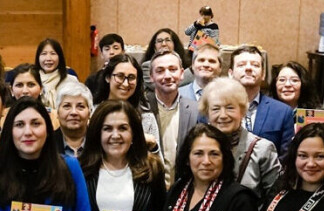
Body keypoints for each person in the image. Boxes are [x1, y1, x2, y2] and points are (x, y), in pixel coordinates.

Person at [200, 77, 281, 199]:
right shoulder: (197, 149)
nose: (223, 115)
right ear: (207, 113)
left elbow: (274, 199)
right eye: (216, 109)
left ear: (242, 111)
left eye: (230, 108)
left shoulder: (262, 150)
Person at [228, 45, 295, 157]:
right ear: (230, 74)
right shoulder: (216, 109)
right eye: (241, 65)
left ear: (263, 74)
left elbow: (286, 157)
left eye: (255, 65)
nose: (248, 68)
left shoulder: (282, 112)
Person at [146, 50, 199, 187]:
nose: (167, 76)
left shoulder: (196, 110)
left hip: (184, 190)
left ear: (181, 73)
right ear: (151, 76)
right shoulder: (141, 110)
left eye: (172, 69)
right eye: (160, 70)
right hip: (148, 189)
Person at [93, 54, 161, 147]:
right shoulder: (92, 113)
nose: (125, 84)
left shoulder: (146, 118)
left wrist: (153, 146)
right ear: (108, 77)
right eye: (120, 76)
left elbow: (158, 160)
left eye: (131, 77)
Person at [35, 38, 80, 111]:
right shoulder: (32, 80)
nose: (48, 58)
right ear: (38, 57)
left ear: (60, 57)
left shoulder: (70, 80)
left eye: (53, 53)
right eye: (44, 54)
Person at [52, 81, 93, 157]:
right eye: (67, 106)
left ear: (89, 112)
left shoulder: (100, 142)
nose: (74, 112)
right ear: (57, 112)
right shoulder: (46, 143)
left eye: (80, 106)